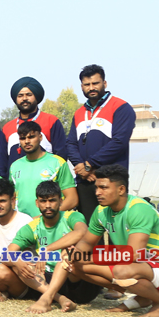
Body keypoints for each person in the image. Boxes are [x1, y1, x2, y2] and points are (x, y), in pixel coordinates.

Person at [65, 164, 159, 317]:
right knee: (75, 267)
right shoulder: (101, 211)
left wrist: (89, 258)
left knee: (122, 271)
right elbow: (87, 243)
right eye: (97, 188)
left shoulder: (138, 208)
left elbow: (133, 255)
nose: (97, 192)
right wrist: (74, 255)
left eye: (103, 188)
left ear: (121, 189)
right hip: (137, 266)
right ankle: (143, 296)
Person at [4, 180, 98, 313]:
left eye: (52, 200)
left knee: (68, 251)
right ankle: (59, 298)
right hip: (48, 280)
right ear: (37, 203)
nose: (48, 205)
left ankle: (46, 299)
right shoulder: (32, 226)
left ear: (61, 201)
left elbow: (82, 232)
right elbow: (8, 252)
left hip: (78, 282)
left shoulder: (72, 216)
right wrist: (17, 261)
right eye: (43, 201)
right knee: (19, 262)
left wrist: (47, 249)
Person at [64, 64, 136, 220]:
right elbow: (70, 144)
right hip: (85, 180)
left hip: (112, 180)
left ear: (105, 83)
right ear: (81, 86)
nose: (91, 88)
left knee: (115, 228)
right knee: (88, 228)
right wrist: (82, 168)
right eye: (87, 84)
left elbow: (119, 142)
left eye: (95, 83)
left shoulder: (121, 108)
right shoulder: (79, 113)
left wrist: (90, 165)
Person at [7, 120, 77, 216]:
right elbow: (11, 198)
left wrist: (45, 217)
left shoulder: (57, 163)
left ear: (40, 137)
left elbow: (72, 199)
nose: (27, 141)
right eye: (23, 138)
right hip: (23, 223)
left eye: (31, 137)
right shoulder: (14, 166)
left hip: (49, 223)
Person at [2, 76, 66, 165]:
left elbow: (61, 154)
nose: (24, 98)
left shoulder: (51, 121)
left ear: (36, 97)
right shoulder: (7, 128)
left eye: (29, 95)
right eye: (20, 95)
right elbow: (1, 161)